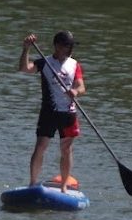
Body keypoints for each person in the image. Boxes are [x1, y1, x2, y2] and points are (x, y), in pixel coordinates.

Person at [18, 31, 85, 192]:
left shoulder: (74, 65)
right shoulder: (44, 62)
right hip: (49, 112)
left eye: (71, 46)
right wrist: (26, 49)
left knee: (66, 148)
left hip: (68, 113)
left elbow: (81, 86)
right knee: (40, 146)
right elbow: (24, 69)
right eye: (67, 46)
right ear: (57, 46)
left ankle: (63, 187)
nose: (70, 49)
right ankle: (33, 183)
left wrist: (75, 92)